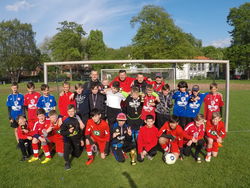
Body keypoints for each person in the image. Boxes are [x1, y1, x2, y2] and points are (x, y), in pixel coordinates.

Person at [60, 105, 84, 170]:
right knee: (67, 145)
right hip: (68, 138)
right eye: (69, 111)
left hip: (76, 139)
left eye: (72, 111)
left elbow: (80, 131)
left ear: (75, 111)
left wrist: (81, 139)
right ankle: (67, 162)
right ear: (67, 112)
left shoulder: (78, 119)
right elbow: (61, 132)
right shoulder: (65, 121)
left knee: (77, 155)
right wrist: (68, 131)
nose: (71, 113)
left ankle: (72, 149)